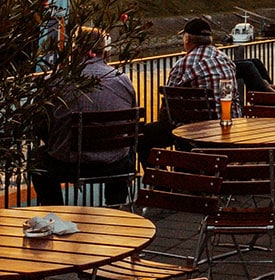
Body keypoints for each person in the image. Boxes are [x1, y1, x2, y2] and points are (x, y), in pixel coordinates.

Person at [32, 27, 137, 205]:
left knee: (37, 162)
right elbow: (130, 123)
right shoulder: (123, 81)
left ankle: (55, 213)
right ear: (104, 51)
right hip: (114, 164)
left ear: (74, 50)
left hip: (69, 165)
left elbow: (40, 125)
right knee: (128, 150)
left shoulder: (57, 81)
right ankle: (115, 207)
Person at [137, 16, 240, 169]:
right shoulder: (225, 60)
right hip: (228, 129)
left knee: (143, 137)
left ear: (187, 40)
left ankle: (162, 184)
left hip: (194, 134)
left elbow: (168, 107)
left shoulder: (183, 64)